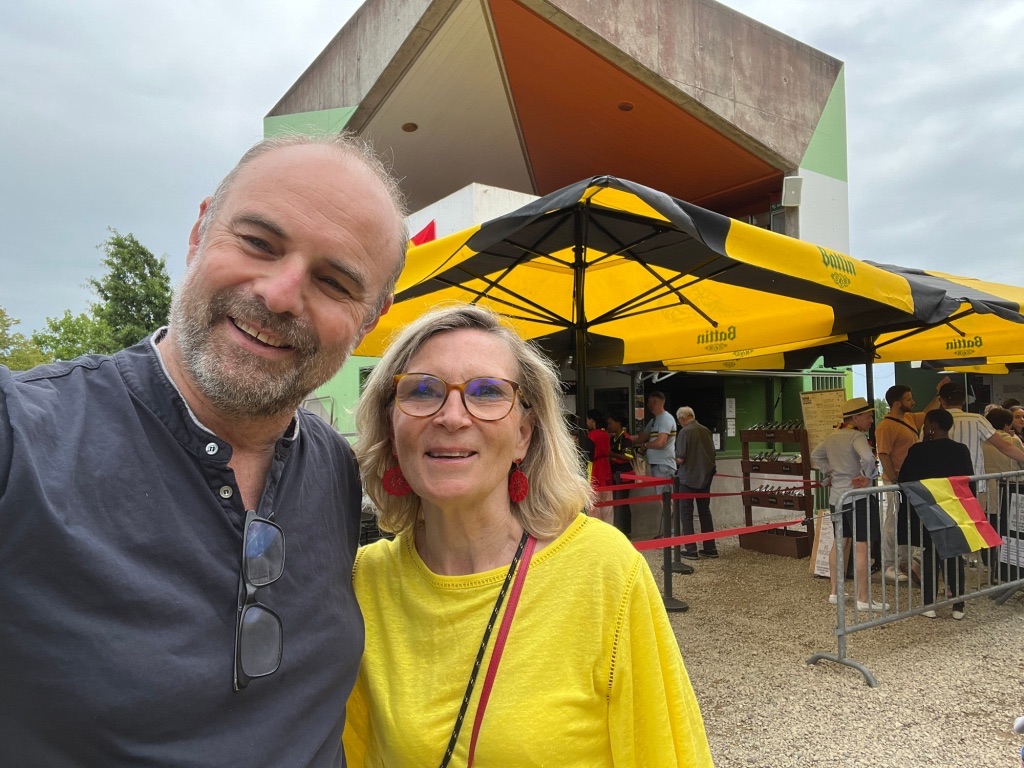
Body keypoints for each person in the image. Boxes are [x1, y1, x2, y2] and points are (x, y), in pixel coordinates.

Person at [0, 134, 408, 766]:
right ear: (199, 232)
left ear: (370, 319)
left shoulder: (331, 465)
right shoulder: (24, 438)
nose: (278, 294)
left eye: (333, 281)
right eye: (258, 243)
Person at [345, 304, 714, 767]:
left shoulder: (605, 573)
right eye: (422, 391)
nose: (452, 417)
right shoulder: (363, 583)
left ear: (524, 434)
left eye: (486, 393)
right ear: (392, 427)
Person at [811, 397, 887, 612]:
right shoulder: (857, 436)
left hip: (837, 496)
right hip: (858, 497)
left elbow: (816, 454)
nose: (871, 419)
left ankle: (835, 591)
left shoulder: (832, 436)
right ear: (856, 417)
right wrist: (867, 475)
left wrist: (831, 472)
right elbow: (868, 458)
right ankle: (863, 598)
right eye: (868, 415)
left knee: (839, 541)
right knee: (862, 545)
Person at [898, 409, 974, 620]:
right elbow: (968, 480)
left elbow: (904, 479)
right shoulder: (961, 450)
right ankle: (958, 606)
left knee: (930, 554)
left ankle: (929, 604)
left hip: (925, 510)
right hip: (952, 508)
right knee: (954, 554)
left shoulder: (918, 450)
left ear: (931, 426)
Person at [874, 381, 944, 583]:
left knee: (903, 521)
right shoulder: (886, 426)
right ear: (897, 403)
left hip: (909, 479)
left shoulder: (909, 418)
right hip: (896, 481)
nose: (912, 401)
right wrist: (894, 479)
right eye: (908, 399)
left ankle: (903, 561)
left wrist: (938, 393)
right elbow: (884, 454)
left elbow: (927, 412)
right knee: (892, 521)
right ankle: (889, 563)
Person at [675, 406, 719, 560]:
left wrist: (672, 459)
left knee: (686, 513)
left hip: (687, 478)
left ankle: (691, 549)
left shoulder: (684, 432)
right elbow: (713, 454)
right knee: (704, 512)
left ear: (682, 418)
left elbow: (680, 458)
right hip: (705, 478)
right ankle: (710, 547)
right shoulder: (706, 430)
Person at [638, 390, 677, 480]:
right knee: (660, 493)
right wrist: (625, 436)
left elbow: (661, 442)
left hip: (663, 466)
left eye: (648, 402)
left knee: (663, 493)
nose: (647, 405)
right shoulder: (654, 420)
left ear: (654, 402)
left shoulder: (666, 419)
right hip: (657, 465)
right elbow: (642, 437)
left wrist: (645, 445)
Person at [607, 412, 635, 536]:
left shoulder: (626, 438)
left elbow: (628, 457)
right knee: (616, 504)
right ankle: (618, 530)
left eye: (610, 423)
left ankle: (627, 531)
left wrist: (612, 455)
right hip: (615, 474)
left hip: (626, 475)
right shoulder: (612, 438)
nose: (609, 426)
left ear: (619, 423)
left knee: (623, 503)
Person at [586, 408, 615, 524]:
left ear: (592, 421)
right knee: (608, 503)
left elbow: (588, 454)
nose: (587, 422)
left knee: (594, 503)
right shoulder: (605, 434)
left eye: (587, 420)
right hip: (605, 466)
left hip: (595, 468)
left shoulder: (592, 435)